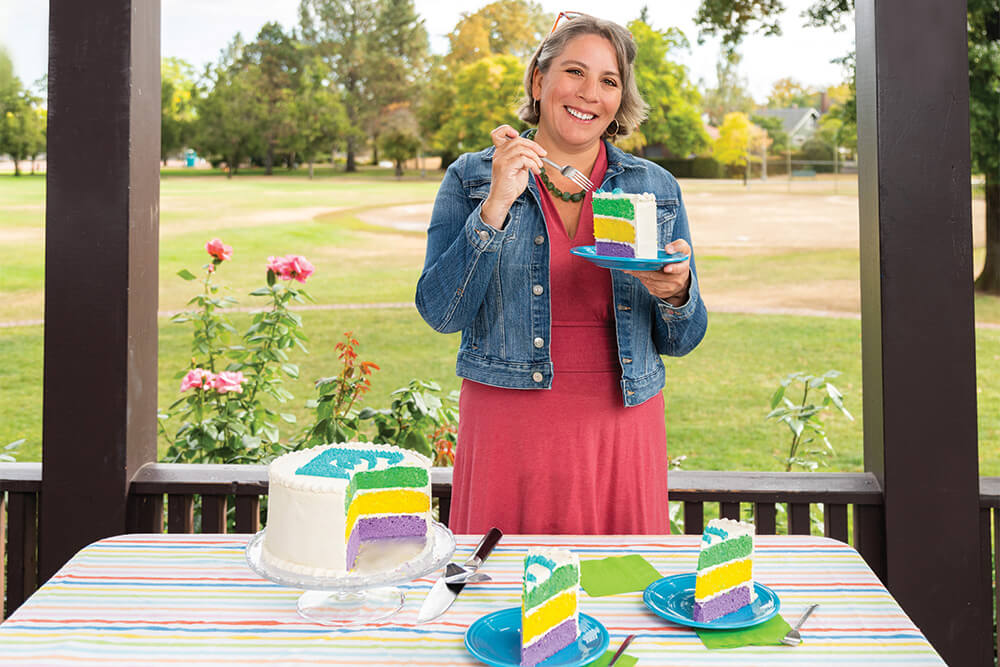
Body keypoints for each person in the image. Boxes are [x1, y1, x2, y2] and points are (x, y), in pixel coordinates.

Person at [415, 13, 707, 536]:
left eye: (609, 80)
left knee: (619, 593)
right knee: (506, 595)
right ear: (538, 80)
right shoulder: (472, 176)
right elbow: (441, 312)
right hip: (509, 427)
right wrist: (496, 204)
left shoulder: (654, 186)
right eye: (574, 71)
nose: (589, 93)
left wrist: (677, 292)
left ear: (620, 99)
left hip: (623, 426)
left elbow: (683, 339)